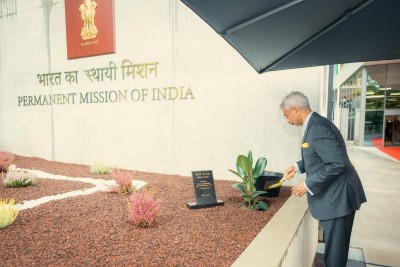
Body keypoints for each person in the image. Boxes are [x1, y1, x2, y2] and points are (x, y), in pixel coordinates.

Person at [280, 91, 367, 267]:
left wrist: (307, 184)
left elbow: (337, 163)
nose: (287, 121)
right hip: (336, 196)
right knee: (334, 250)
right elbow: (321, 155)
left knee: (335, 255)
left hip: (339, 198)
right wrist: (298, 167)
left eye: (286, 115)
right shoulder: (315, 123)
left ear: (296, 110)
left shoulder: (318, 128)